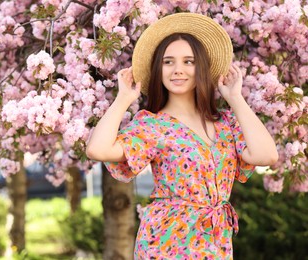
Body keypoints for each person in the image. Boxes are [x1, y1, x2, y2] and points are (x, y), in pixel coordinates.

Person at [86, 13, 278, 259]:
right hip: (166, 242)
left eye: (189, 61)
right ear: (159, 69)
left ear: (202, 68)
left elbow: (267, 155)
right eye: (168, 62)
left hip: (215, 239)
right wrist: (123, 99)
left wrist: (236, 99)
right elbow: (98, 149)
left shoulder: (227, 123)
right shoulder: (152, 125)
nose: (178, 70)